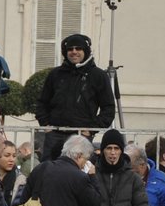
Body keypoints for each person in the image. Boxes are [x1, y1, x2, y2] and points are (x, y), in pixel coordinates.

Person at [34, 33, 116, 162]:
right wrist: (45, 124)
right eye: (70, 49)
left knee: (79, 173)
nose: (74, 52)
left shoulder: (98, 76)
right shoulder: (55, 74)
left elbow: (108, 108)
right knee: (49, 171)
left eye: (78, 48)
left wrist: (92, 129)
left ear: (86, 51)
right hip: (55, 134)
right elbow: (42, 102)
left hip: (81, 137)